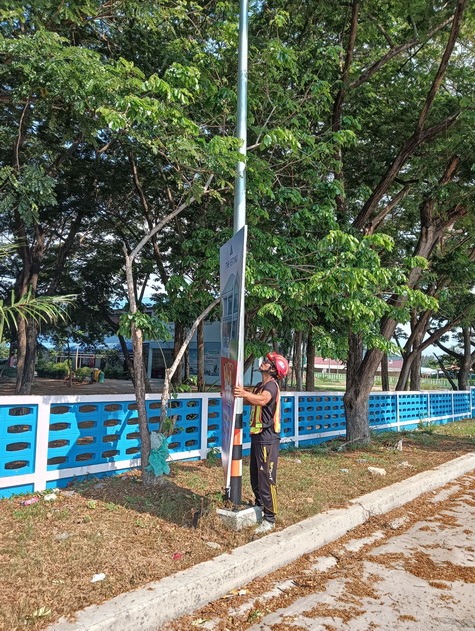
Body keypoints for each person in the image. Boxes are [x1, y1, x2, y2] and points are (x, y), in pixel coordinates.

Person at [234, 351, 289, 534]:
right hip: (257, 436)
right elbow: (252, 400)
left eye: (267, 362)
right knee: (255, 476)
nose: (263, 362)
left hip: (268, 439)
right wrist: (235, 394)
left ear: (273, 370)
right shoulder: (260, 385)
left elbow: (263, 400)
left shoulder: (271, 386)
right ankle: (259, 506)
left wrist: (244, 393)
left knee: (266, 478)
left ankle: (270, 518)